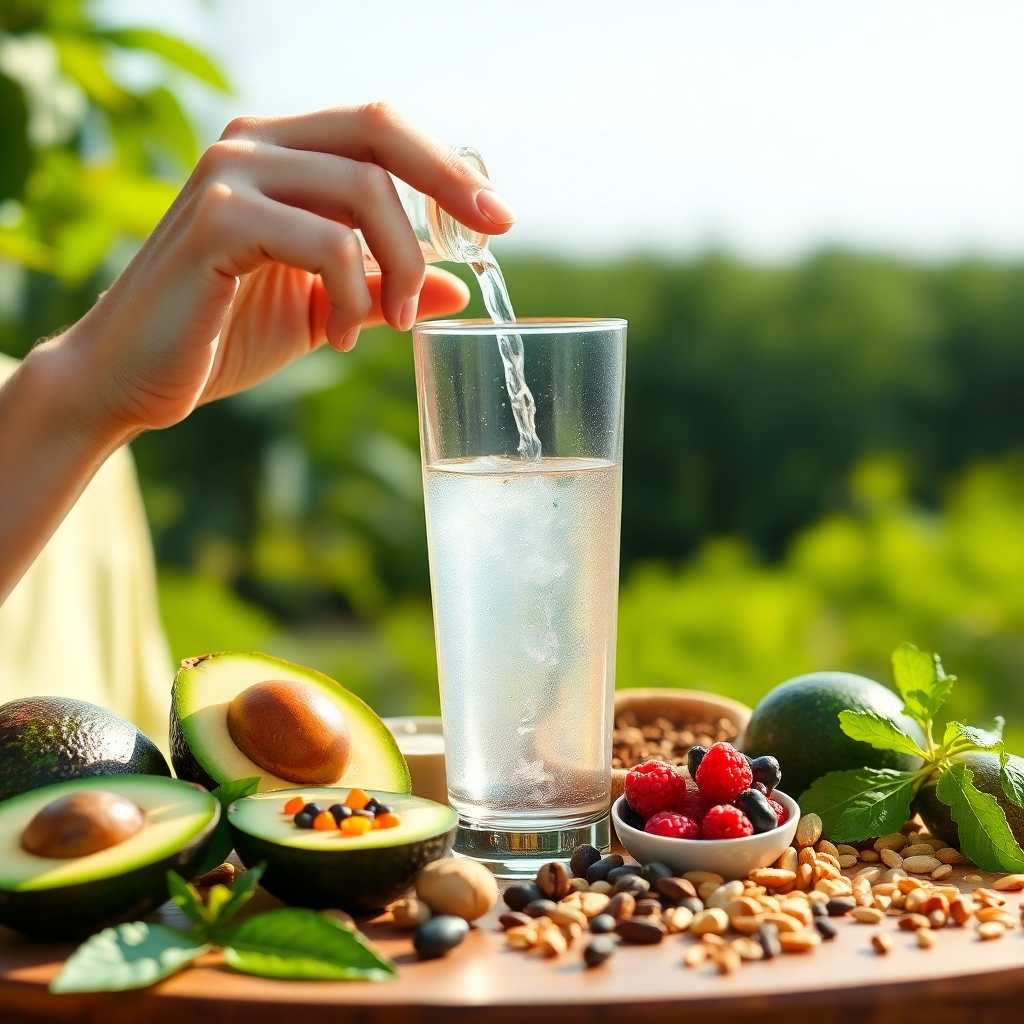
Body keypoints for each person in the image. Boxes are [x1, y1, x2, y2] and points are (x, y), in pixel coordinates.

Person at [0, 104, 515, 730]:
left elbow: (148, 792)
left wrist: (90, 416)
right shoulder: (64, 416)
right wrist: (72, 399)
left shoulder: (99, 470)